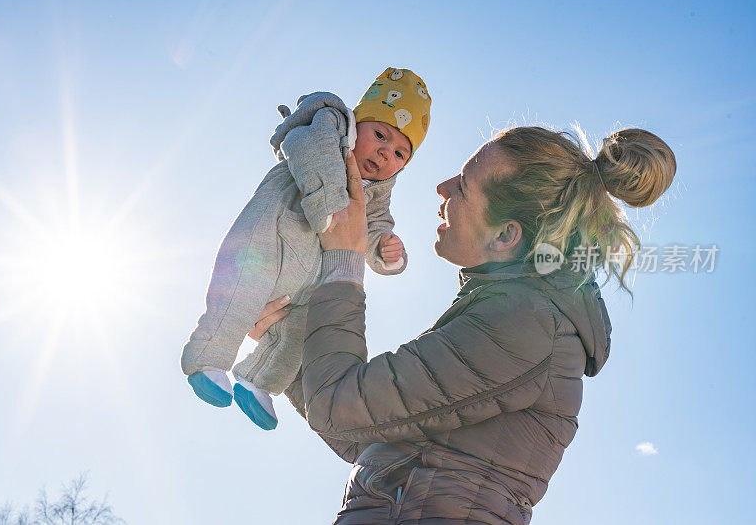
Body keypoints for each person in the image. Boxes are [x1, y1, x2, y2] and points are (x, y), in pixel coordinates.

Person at [254, 126, 676, 523]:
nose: (442, 189)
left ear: (506, 235)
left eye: (463, 186)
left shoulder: (525, 324)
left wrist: (343, 261)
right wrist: (289, 335)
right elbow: (370, 440)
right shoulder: (509, 313)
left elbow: (338, 407)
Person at [180, 68, 432, 430]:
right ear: (356, 123)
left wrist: (386, 251)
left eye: (399, 153)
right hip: (273, 235)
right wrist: (329, 203)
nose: (384, 152)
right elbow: (304, 148)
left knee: (303, 331)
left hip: (312, 275)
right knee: (239, 293)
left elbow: (373, 225)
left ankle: (258, 381)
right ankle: (207, 356)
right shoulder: (327, 128)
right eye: (379, 134)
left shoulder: (378, 191)